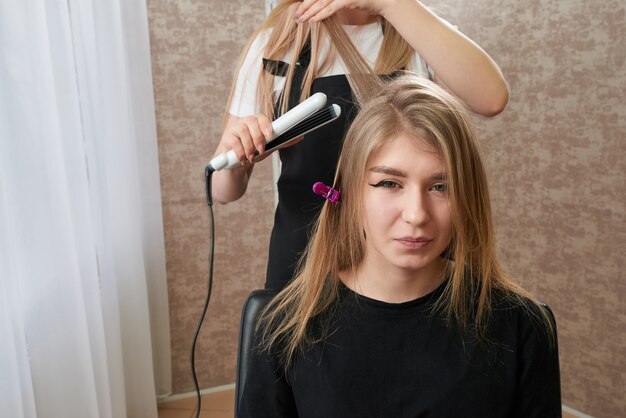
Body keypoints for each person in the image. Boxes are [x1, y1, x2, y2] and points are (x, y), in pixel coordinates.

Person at [238, 75, 562, 417]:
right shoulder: (283, 329)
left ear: (469, 196)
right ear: (349, 195)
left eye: (440, 187)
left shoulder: (523, 326)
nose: (416, 214)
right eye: (389, 183)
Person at [212, 0, 510, 290]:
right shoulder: (278, 41)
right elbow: (223, 190)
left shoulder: (413, 29)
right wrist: (239, 150)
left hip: (407, 264)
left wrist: (392, 5)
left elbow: (491, 99)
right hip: (304, 259)